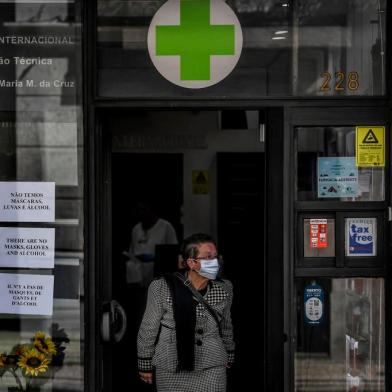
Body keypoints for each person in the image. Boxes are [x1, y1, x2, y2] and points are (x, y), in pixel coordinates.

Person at [137, 233, 235, 392]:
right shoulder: (162, 287)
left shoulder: (225, 288)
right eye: (208, 257)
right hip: (171, 366)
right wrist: (145, 363)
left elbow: (226, 326)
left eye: (217, 257)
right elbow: (148, 328)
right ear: (191, 262)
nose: (215, 262)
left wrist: (229, 354)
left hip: (212, 365)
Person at [125, 201, 178, 287]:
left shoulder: (165, 227)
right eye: (138, 210)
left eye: (143, 209)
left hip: (159, 277)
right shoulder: (136, 229)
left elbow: (173, 253)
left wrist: (154, 257)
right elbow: (132, 252)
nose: (141, 213)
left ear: (151, 210)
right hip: (138, 279)